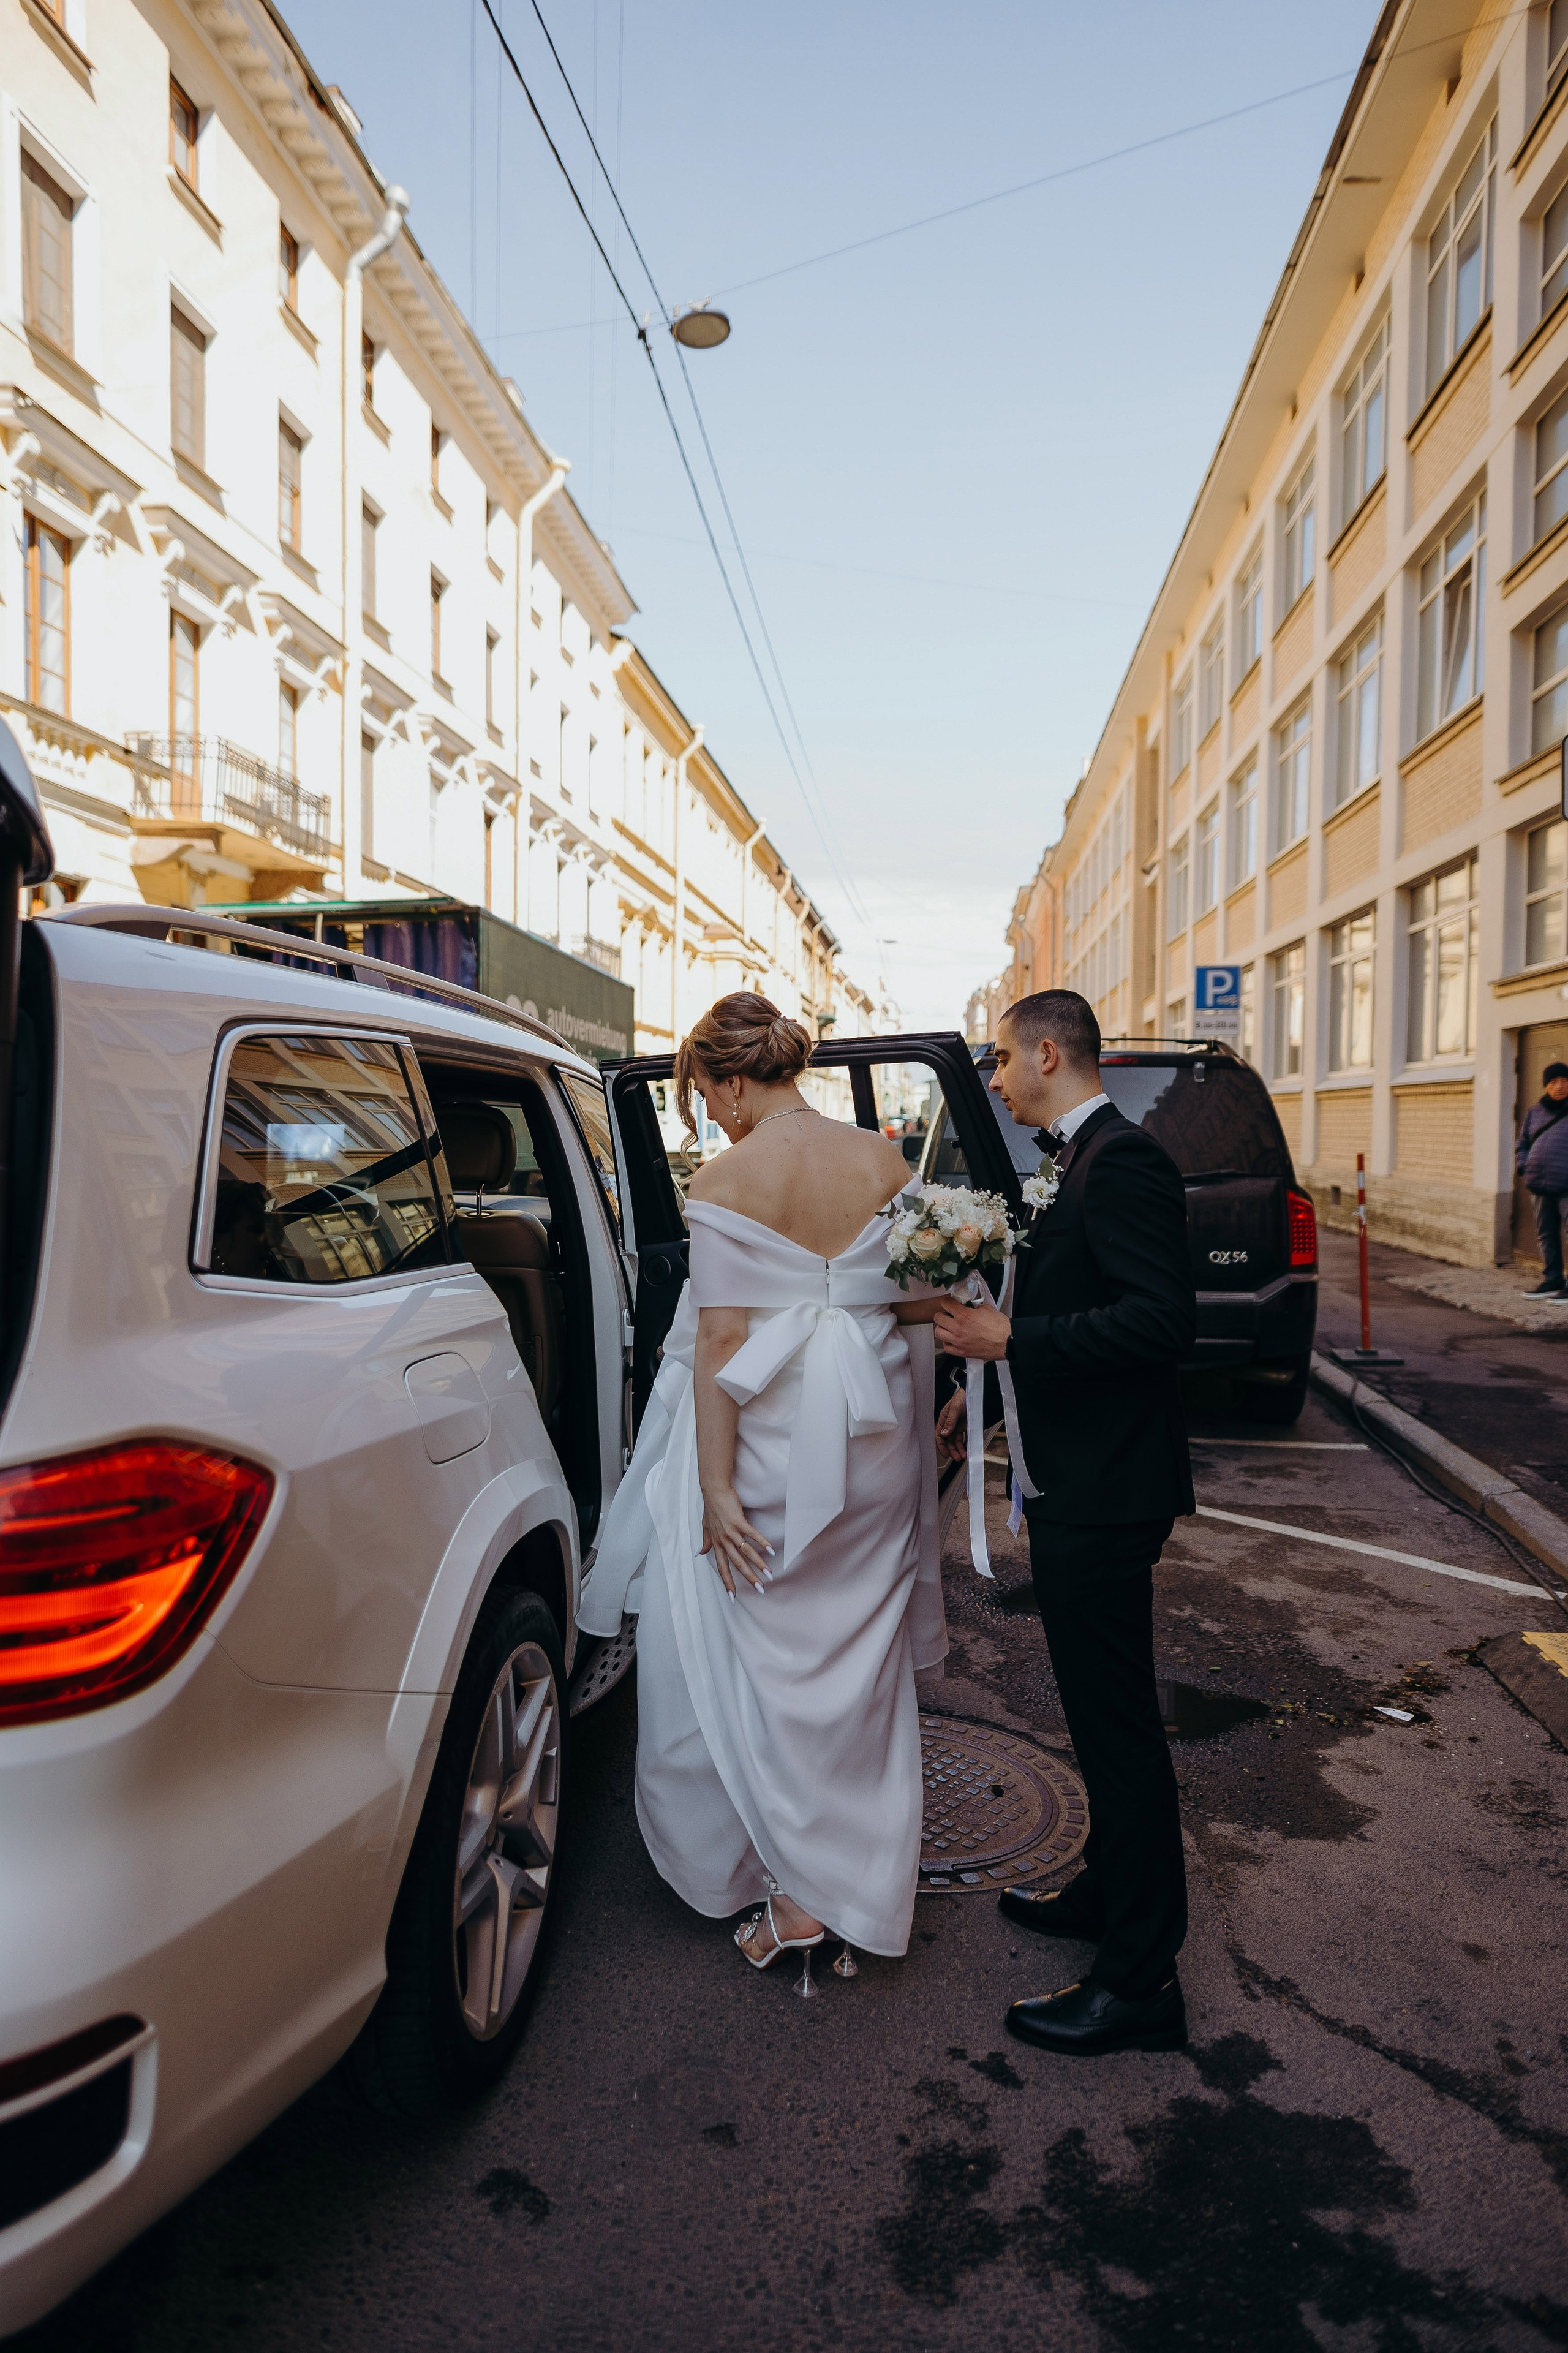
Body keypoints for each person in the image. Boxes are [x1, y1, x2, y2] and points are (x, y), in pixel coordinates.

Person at [577, 992, 947, 1976]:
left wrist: (715, 1489)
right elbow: (919, 1311)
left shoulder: (727, 1177)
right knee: (857, 1668)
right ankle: (848, 1880)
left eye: (708, 1096)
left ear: (733, 1078)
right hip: (874, 1436)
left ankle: (788, 1884)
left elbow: (723, 1340)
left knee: (746, 1661)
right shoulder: (884, 1160)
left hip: (771, 1444)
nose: (712, 1117)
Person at [933, 989, 1196, 2058]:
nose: (994, 1079)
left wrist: (1012, 1343)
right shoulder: (1072, 1159)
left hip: (1109, 1490)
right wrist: (975, 1386)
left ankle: (1141, 1983)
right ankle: (1105, 1890)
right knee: (1094, 1719)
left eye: (1001, 1059)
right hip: (1076, 1481)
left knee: (1121, 1729)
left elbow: (1157, 1320)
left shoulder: (1122, 1160)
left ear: (1050, 1052)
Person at [1517, 1061, 1568, 1301]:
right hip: (1539, 1183)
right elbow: (1523, 1143)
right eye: (1554, 1082)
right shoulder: (1534, 1112)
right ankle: (1553, 1279)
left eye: (1565, 1081)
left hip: (1566, 1186)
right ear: (1546, 1086)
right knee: (1546, 1233)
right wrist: (1523, 1166)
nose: (1560, 1087)